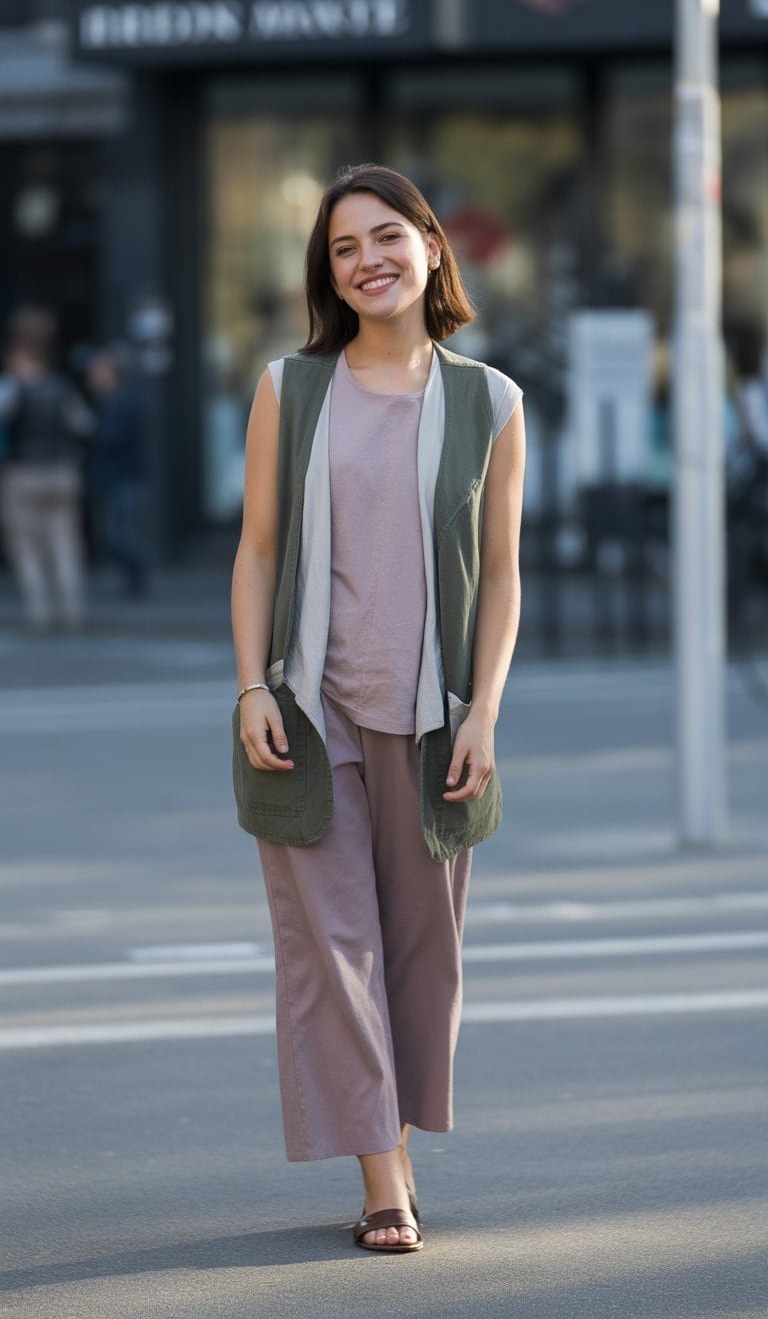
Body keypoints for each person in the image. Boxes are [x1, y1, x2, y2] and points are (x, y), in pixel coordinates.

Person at [230, 165, 525, 1253]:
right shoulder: (289, 390)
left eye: (388, 237)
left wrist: (487, 709)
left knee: (420, 953)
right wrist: (253, 686)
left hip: (437, 714)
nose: (369, 261)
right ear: (331, 273)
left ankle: (390, 1137)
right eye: (346, 248)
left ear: (433, 248)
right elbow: (256, 549)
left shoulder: (489, 400)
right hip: (311, 715)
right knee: (335, 947)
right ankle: (383, 1182)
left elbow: (502, 575)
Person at [0, 308, 94, 631]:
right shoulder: (61, 388)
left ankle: (40, 613)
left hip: (23, 472)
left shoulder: (12, 388)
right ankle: (72, 611)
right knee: (65, 542)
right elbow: (84, 425)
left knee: (27, 545)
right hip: (63, 472)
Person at [86, 347, 149, 597]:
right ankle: (132, 581)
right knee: (115, 533)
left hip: (125, 476)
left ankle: (137, 580)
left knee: (124, 533)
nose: (91, 377)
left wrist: (91, 431)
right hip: (112, 477)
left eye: (97, 371)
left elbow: (115, 438)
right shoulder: (103, 403)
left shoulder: (124, 403)